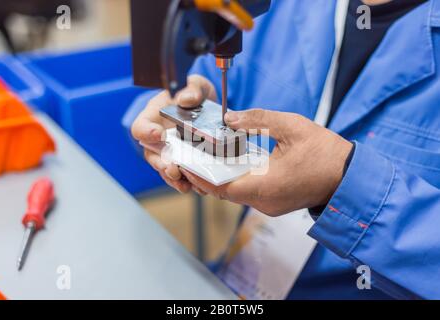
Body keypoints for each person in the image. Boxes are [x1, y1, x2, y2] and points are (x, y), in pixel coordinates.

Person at [126, 0, 440, 299]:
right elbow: (183, 92)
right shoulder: (276, 9)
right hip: (245, 277)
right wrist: (172, 119)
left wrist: (341, 186)